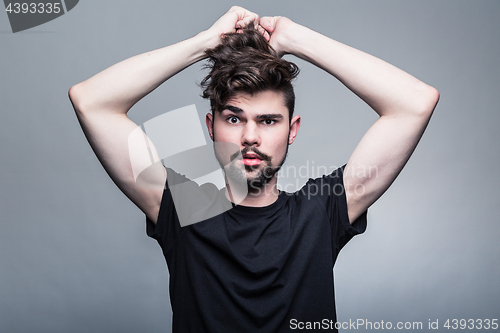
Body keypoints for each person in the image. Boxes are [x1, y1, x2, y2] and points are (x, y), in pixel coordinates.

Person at [68, 6, 439, 332]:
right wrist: (206, 42)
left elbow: (415, 103)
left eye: (268, 121)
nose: (249, 137)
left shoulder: (320, 211)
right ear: (211, 126)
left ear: (291, 130)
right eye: (234, 118)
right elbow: (92, 101)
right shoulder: (186, 209)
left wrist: (296, 39)